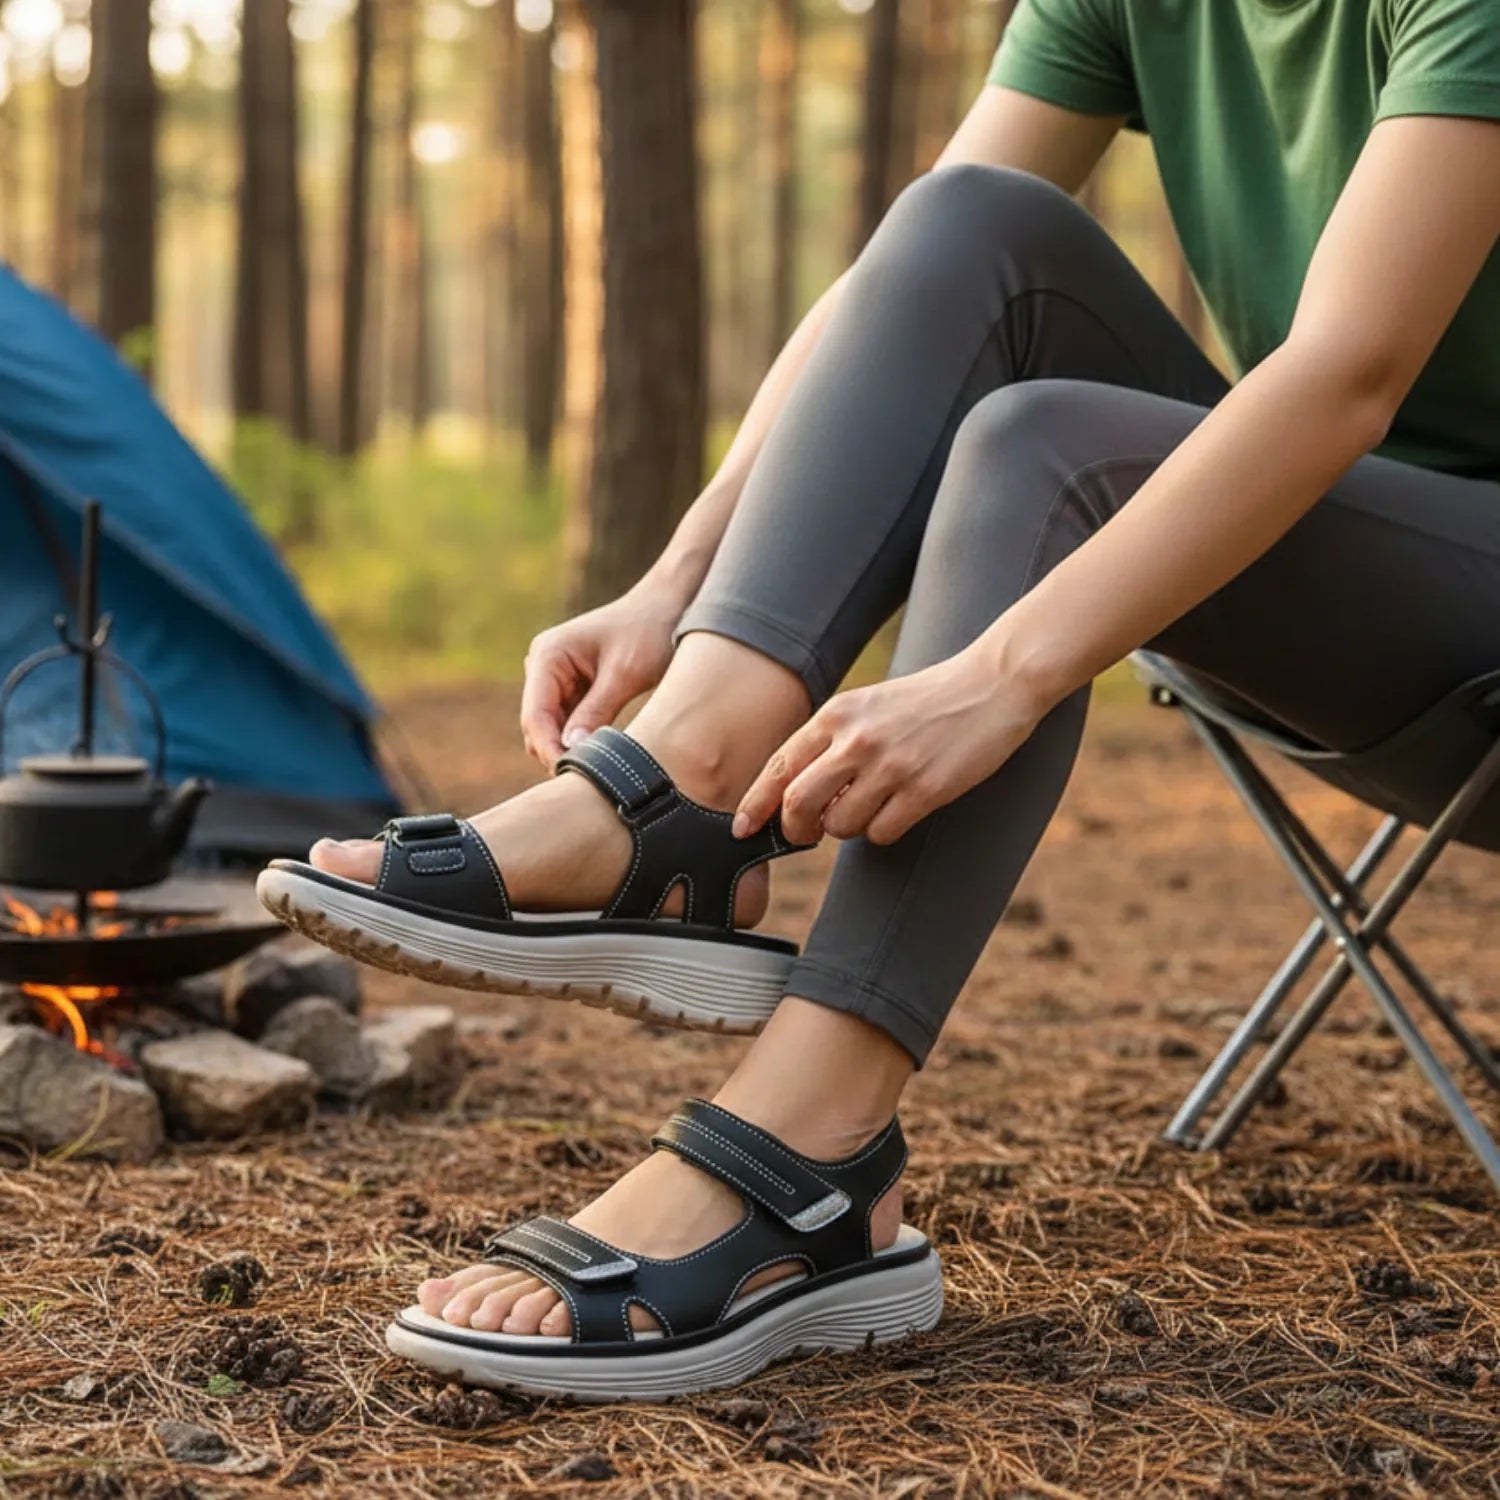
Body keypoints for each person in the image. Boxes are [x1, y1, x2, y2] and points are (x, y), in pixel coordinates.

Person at [259, 0, 1500, 1400]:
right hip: (1333, 572)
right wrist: (679, 579)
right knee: (970, 219)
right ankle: (681, 783)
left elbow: (1349, 371)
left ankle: (808, 1146)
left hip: (1468, 613)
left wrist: (1001, 675)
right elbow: (901, 292)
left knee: (1049, 449)